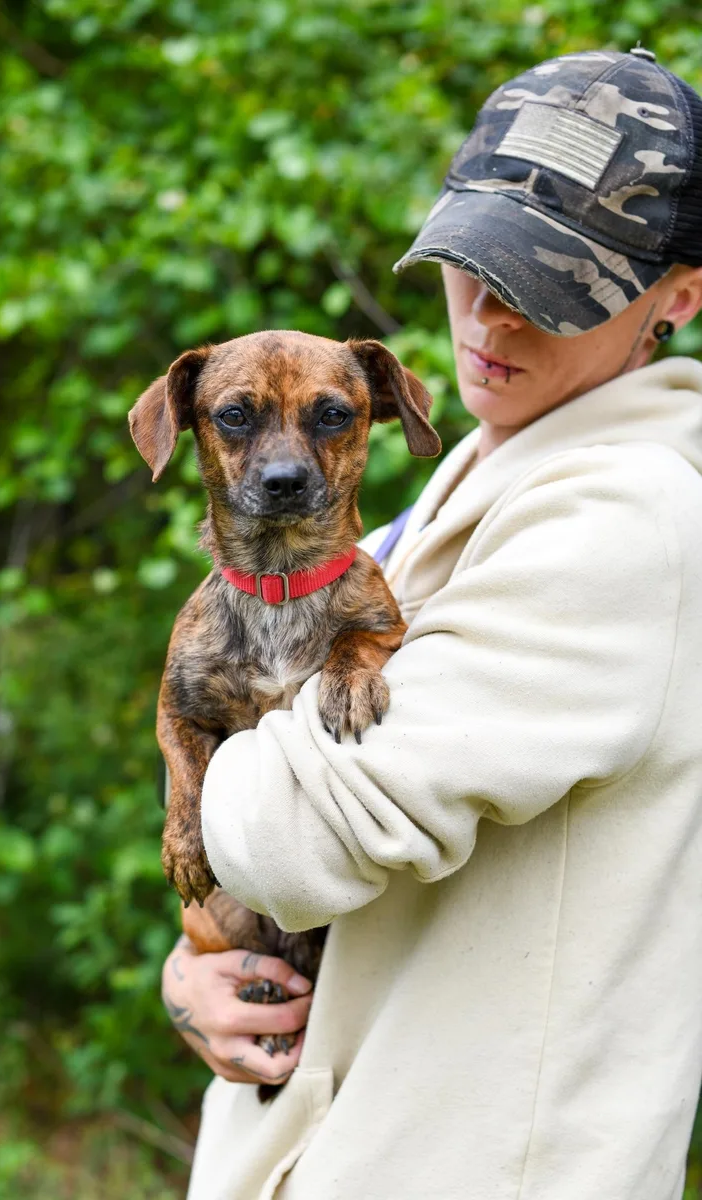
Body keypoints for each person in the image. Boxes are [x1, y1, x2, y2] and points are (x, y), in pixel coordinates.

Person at [163, 47, 702, 1199]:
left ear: (678, 296)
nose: (492, 316)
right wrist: (199, 965)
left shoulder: (627, 517)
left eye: (557, 284)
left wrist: (210, 794)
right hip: (332, 1135)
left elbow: (301, 833)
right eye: (476, 262)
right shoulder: (474, 467)